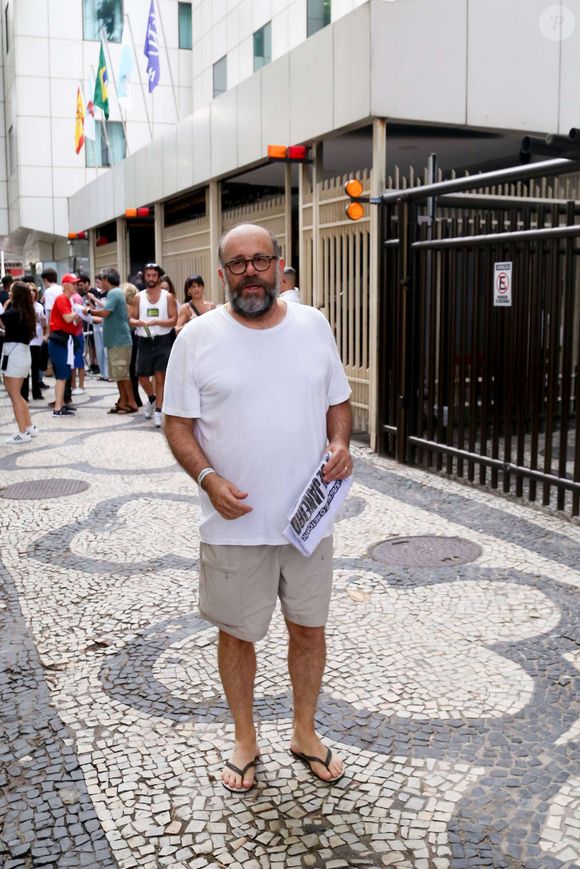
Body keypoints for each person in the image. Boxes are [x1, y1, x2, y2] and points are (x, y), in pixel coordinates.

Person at [163, 223, 353, 794]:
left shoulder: (313, 325)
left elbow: (337, 402)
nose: (250, 271)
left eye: (260, 260)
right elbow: (178, 424)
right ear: (221, 273)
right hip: (234, 522)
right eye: (237, 263)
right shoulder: (196, 339)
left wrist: (340, 444)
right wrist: (207, 476)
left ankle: (304, 732)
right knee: (237, 633)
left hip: (308, 523)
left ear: (279, 264)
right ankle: (245, 739)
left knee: (309, 631)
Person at [129, 262, 177, 427]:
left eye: (153, 275)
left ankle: (158, 410)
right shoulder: (138, 297)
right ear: (144, 277)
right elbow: (131, 318)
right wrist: (138, 322)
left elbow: (173, 320)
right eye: (148, 275)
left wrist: (158, 321)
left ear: (158, 277)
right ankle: (152, 398)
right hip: (144, 340)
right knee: (142, 376)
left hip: (162, 340)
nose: (150, 278)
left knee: (160, 376)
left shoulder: (167, 297)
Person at [85, 268, 138, 414]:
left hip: (119, 340)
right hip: (116, 340)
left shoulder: (114, 293)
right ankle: (123, 401)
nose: (99, 283)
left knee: (122, 374)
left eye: (101, 279)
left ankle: (131, 403)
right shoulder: (113, 293)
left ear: (107, 280)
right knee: (119, 374)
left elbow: (105, 313)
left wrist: (88, 311)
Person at [0, 281, 37, 444]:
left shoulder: (12, 312)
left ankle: (22, 432)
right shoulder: (26, 312)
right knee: (18, 395)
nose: (9, 293)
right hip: (21, 354)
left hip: (14, 355)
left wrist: (7, 303)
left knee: (15, 396)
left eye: (12, 291)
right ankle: (28, 426)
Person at [47, 274, 82, 417]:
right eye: (73, 283)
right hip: (60, 340)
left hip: (65, 340)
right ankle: (57, 408)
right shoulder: (62, 299)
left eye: (76, 283)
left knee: (64, 374)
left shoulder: (69, 300)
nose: (76, 286)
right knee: (62, 376)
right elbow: (67, 318)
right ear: (65, 285)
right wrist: (79, 312)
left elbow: (72, 320)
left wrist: (77, 314)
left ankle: (61, 404)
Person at [20, 283, 46, 402]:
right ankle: (24, 394)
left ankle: (37, 391)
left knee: (36, 367)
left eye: (34, 291)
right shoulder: (22, 306)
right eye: (29, 291)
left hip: (37, 339)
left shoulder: (39, 306)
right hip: (26, 340)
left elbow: (44, 324)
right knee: (25, 368)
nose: (32, 293)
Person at [122, 282, 143, 408]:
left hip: (129, 337)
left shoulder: (126, 307)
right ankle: (135, 397)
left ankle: (131, 397)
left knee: (128, 370)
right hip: (136, 337)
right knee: (132, 371)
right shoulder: (137, 305)